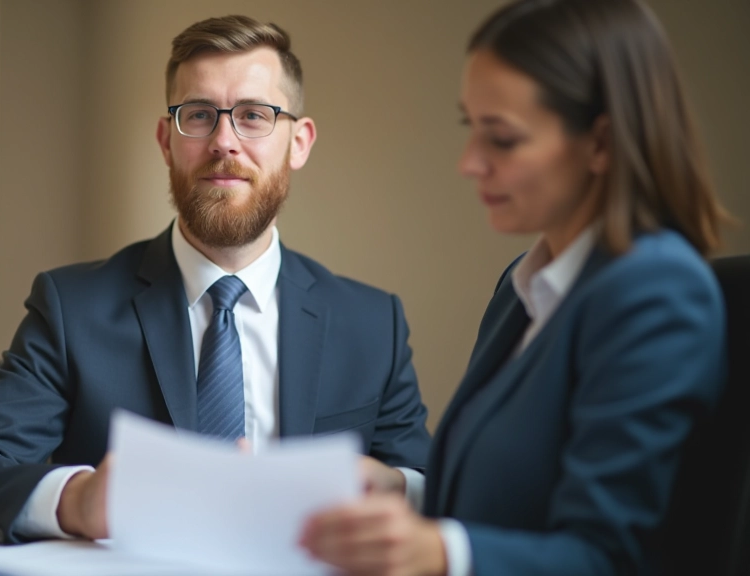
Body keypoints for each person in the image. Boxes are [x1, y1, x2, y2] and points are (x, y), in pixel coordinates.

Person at [0, 15, 431, 544]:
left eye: (254, 115)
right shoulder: (71, 309)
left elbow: (441, 490)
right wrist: (79, 499)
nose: (224, 141)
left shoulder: (372, 324)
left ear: (299, 141)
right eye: (199, 115)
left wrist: (391, 488)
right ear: (166, 140)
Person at [299, 0, 729, 574]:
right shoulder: (523, 286)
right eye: (470, 128)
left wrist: (438, 552)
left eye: (500, 138)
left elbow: (607, 556)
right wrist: (394, 490)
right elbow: (510, 500)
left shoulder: (658, 294)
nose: (469, 163)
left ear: (600, 144)